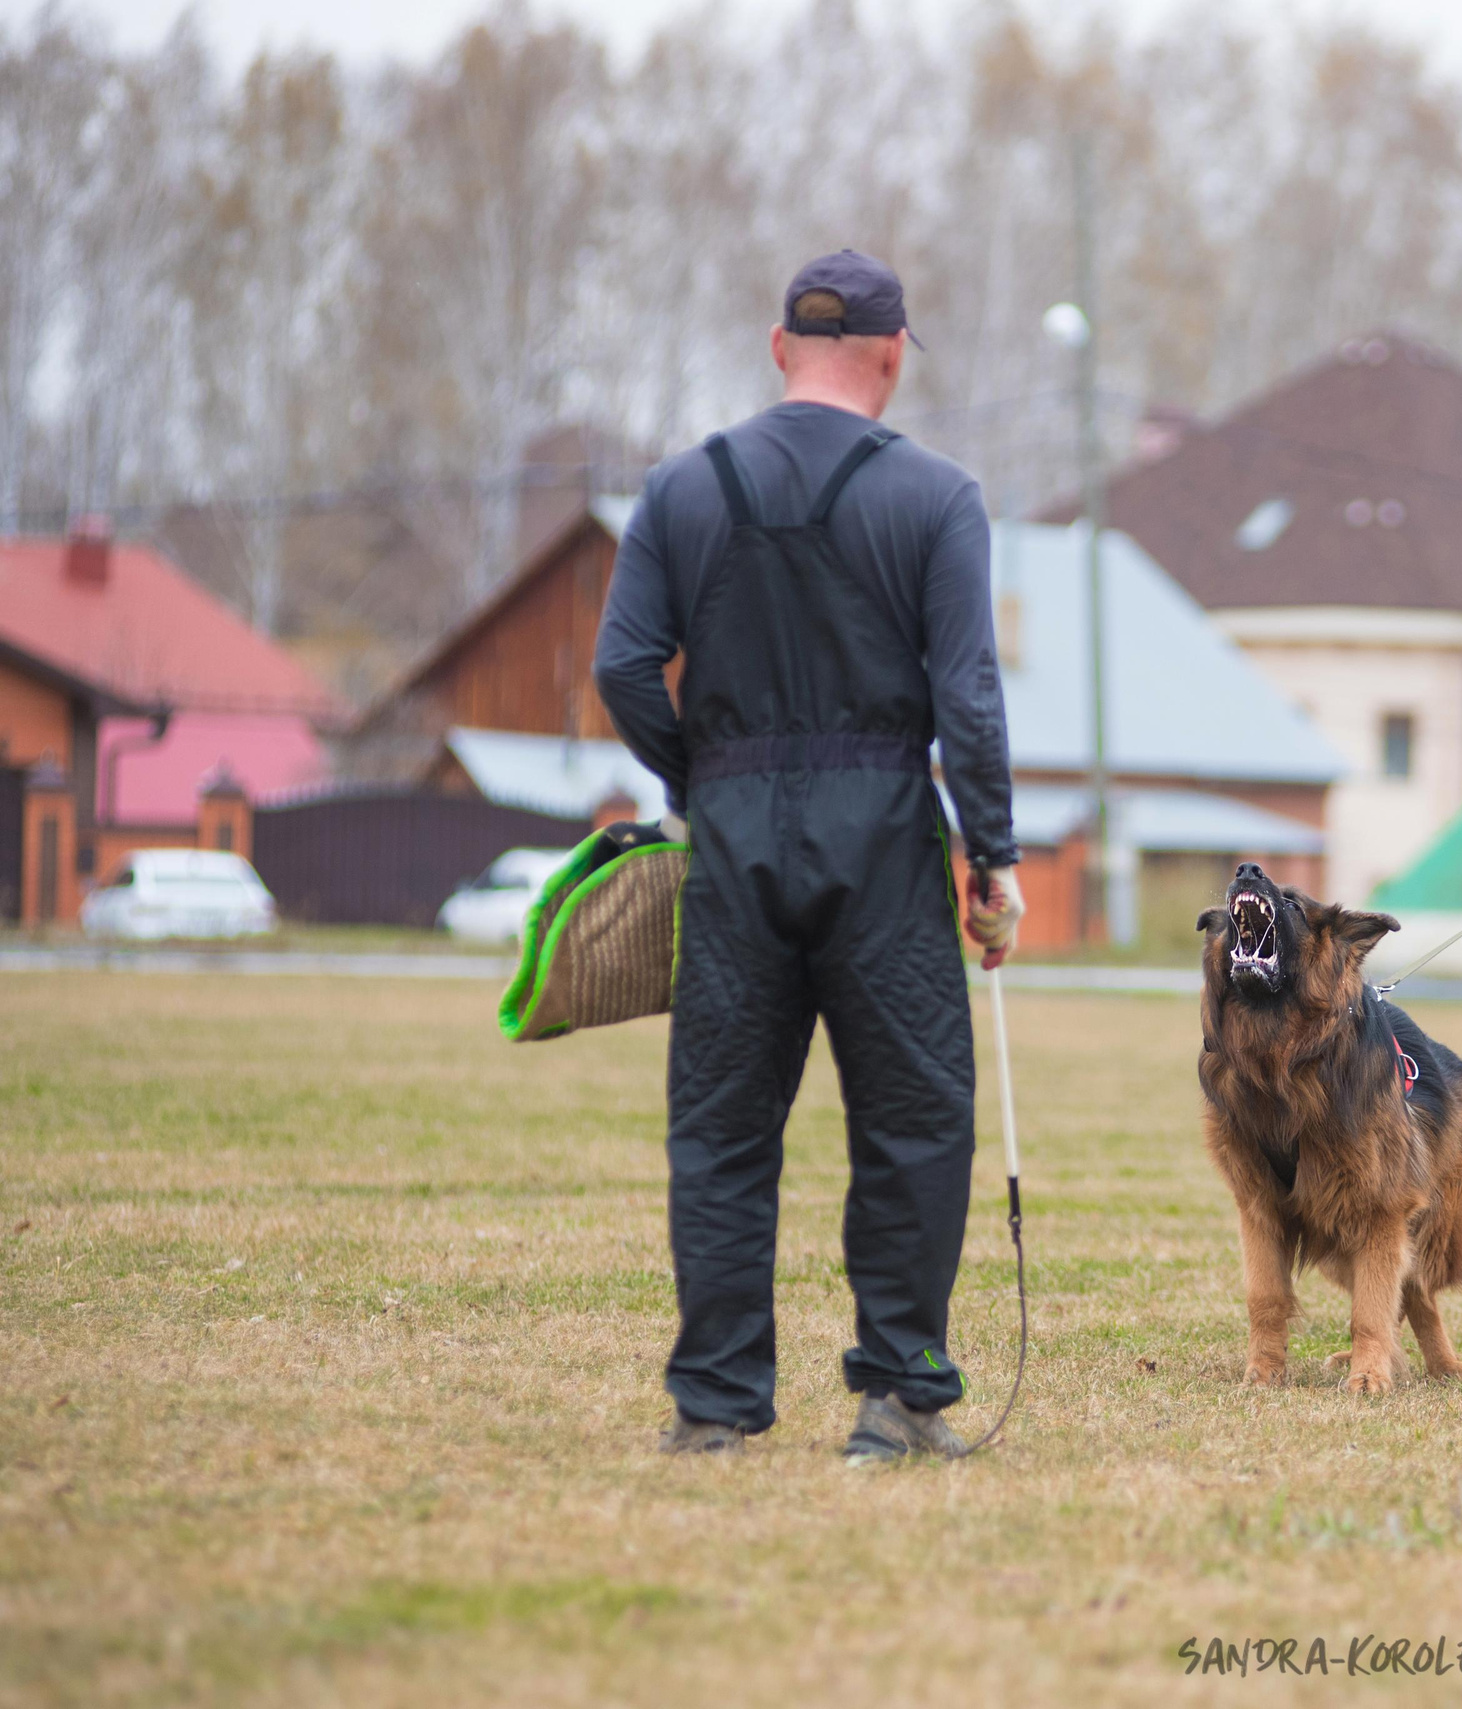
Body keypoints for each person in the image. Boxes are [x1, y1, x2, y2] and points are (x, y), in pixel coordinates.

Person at [593, 250, 1026, 1465]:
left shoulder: (680, 488)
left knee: (723, 1126)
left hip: (735, 837)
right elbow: (970, 700)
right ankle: (894, 1400)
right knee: (915, 1121)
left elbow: (623, 667)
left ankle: (715, 1405)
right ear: (892, 357)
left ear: (778, 347)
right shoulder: (937, 498)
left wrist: (704, 781)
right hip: (885, 834)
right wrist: (991, 855)